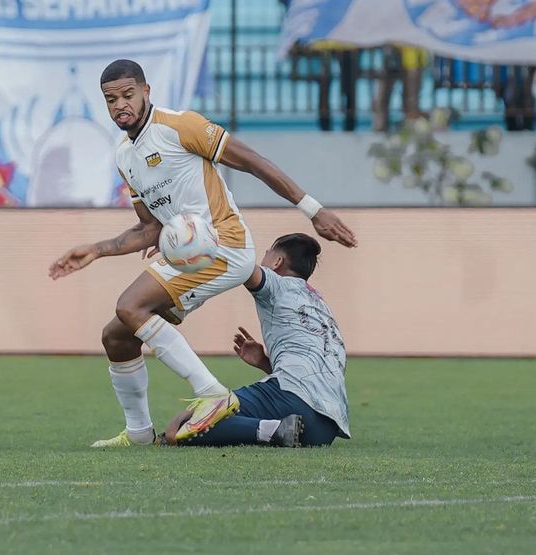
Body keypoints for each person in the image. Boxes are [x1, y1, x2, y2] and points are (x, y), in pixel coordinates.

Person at [48, 59, 356, 447]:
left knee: (130, 305)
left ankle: (212, 393)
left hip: (225, 244)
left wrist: (312, 209)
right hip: (190, 254)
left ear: (146, 92)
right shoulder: (125, 157)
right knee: (117, 335)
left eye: (128, 95)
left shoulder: (181, 127)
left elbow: (255, 163)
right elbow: (150, 229)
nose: (119, 106)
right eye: (111, 100)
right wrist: (96, 250)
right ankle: (141, 434)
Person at [162, 233, 350, 448]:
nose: (263, 259)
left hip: (293, 400)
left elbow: (240, 264)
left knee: (184, 426)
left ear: (278, 262)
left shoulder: (278, 284)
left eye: (267, 254)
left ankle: (272, 429)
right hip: (323, 430)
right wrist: (264, 362)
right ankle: (275, 430)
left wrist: (194, 241)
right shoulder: (319, 303)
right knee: (219, 420)